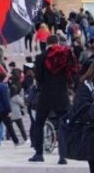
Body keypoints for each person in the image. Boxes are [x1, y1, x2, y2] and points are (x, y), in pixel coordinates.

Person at [29, 35, 72, 164]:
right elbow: (70, 74)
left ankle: (39, 153)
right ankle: (63, 156)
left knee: (39, 123)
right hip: (62, 94)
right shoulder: (66, 55)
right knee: (63, 124)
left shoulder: (41, 57)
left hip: (46, 94)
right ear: (58, 42)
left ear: (47, 43)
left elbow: (39, 77)